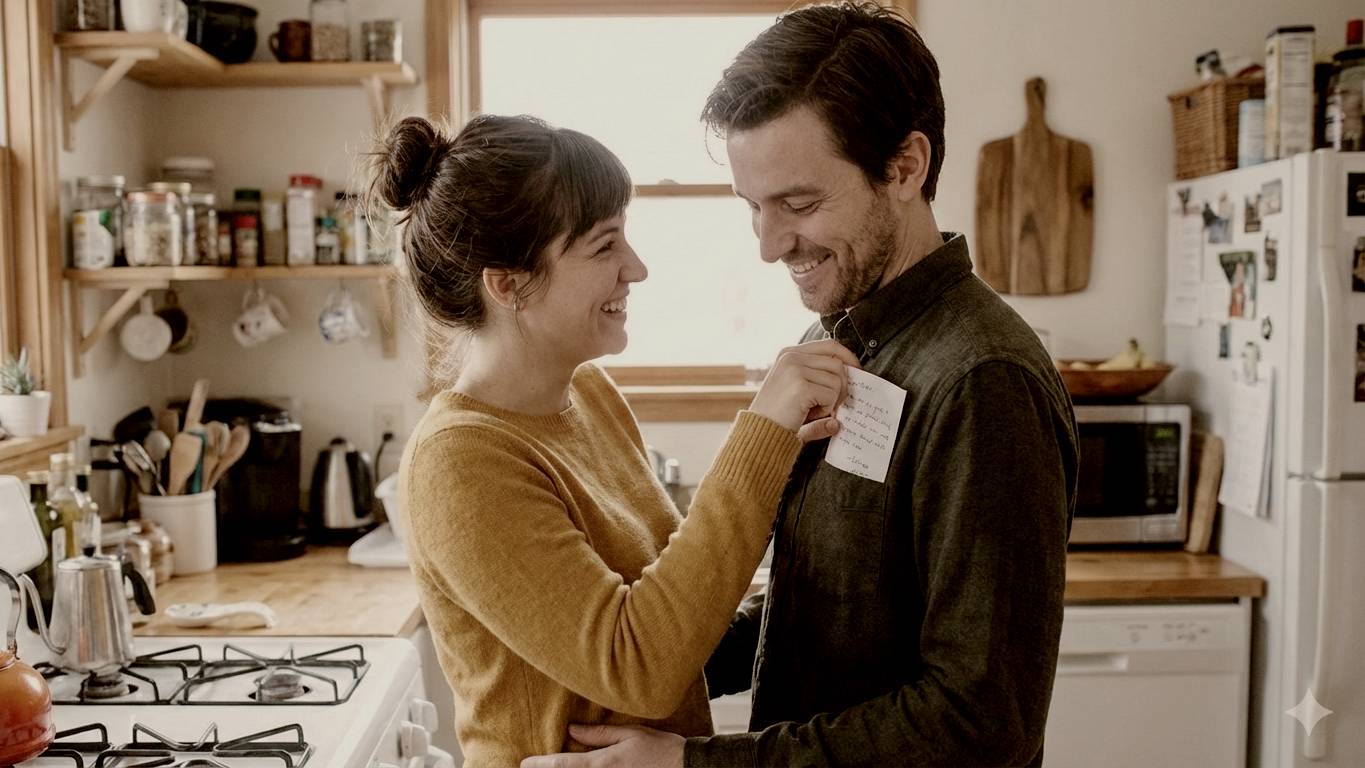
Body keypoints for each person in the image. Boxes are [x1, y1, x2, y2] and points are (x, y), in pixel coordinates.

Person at [525, 3, 1077, 767]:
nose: (769, 245)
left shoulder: (983, 381)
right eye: (753, 208)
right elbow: (829, 605)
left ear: (905, 167)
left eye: (799, 204)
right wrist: (628, 674)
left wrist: (691, 765)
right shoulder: (840, 337)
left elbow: (980, 723)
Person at [380, 113, 861, 767]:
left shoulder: (589, 396)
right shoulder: (459, 461)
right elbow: (637, 666)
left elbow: (676, 606)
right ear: (508, 284)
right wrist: (760, 434)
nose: (635, 268)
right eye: (604, 246)